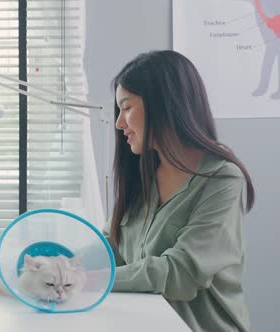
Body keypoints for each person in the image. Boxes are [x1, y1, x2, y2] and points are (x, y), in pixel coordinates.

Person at [103, 50, 254, 332]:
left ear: (163, 106)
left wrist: (92, 280)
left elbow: (181, 272)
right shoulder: (142, 174)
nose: (119, 124)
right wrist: (57, 262)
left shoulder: (221, 180)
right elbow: (110, 244)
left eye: (127, 108)